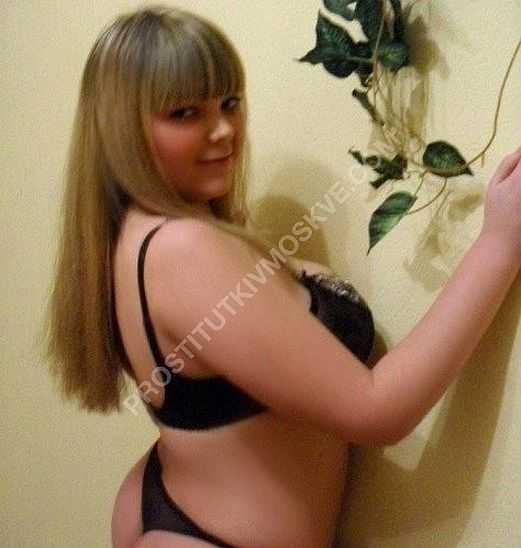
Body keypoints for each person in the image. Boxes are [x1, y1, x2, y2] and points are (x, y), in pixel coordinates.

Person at [41, 4, 521, 548]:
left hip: (180, 502)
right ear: (122, 129)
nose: (224, 130)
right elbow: (379, 409)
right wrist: (498, 245)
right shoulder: (182, 248)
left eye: (229, 102)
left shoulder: (134, 234)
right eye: (185, 113)